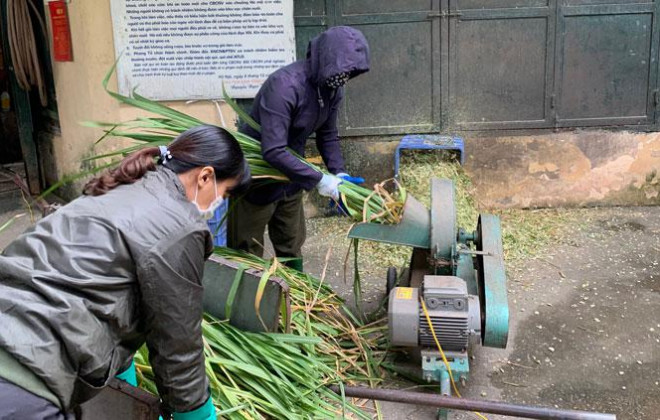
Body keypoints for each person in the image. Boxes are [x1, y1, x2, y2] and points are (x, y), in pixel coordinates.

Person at [0, 125, 250, 419]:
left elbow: (99, 289)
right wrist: (196, 414)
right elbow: (178, 348)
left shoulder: (116, 188)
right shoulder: (179, 226)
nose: (219, 202)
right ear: (205, 176)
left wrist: (122, 375)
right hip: (25, 382)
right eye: (225, 192)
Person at [228, 26, 370, 271]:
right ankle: (246, 303)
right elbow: (272, 150)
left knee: (291, 244)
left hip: (291, 179)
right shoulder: (284, 86)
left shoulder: (332, 89)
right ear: (326, 58)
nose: (344, 77)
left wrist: (338, 173)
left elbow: (327, 134)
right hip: (257, 180)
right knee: (245, 249)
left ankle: (295, 299)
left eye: (350, 72)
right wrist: (319, 180)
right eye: (342, 69)